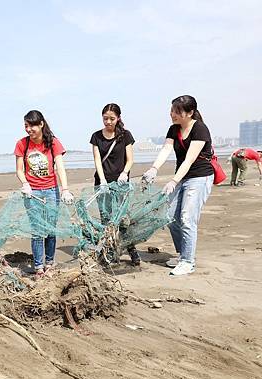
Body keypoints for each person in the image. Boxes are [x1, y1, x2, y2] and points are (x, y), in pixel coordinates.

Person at [141, 95, 214, 276]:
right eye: (172, 110)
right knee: (170, 216)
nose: (172, 114)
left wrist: (173, 181)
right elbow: (166, 150)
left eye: (177, 111)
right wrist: (153, 169)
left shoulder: (200, 129)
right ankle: (183, 255)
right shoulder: (174, 129)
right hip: (182, 177)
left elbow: (189, 159)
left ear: (190, 113)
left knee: (187, 218)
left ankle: (188, 262)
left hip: (199, 177)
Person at [15, 110, 73, 278]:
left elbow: (60, 167)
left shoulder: (53, 142)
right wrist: (25, 184)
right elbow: (19, 170)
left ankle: (49, 262)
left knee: (50, 229)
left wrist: (65, 189)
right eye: (26, 126)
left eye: (32, 125)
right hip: (32, 193)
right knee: (37, 230)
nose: (29, 129)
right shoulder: (22, 144)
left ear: (41, 124)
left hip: (50, 191)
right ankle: (39, 266)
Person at [90, 103, 140, 266]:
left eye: (112, 118)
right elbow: (97, 160)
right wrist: (103, 180)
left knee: (122, 219)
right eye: (105, 118)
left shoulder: (125, 135)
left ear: (118, 118)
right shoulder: (96, 136)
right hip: (102, 183)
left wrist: (124, 173)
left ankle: (132, 250)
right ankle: (110, 252)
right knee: (106, 218)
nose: (108, 122)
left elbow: (130, 159)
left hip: (121, 183)